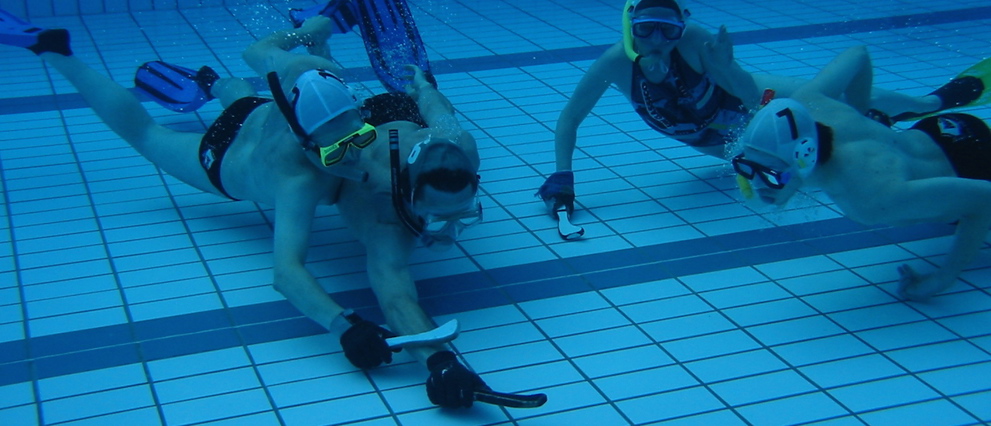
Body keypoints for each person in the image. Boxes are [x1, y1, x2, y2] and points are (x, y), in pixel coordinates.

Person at [2, 12, 496, 408]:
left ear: (362, 115)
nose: (356, 162)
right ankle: (58, 52)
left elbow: (264, 54)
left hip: (270, 109)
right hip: (233, 153)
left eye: (360, 137)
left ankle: (216, 83)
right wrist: (345, 325)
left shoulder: (319, 81)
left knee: (247, 96)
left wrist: (311, 35)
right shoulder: (300, 180)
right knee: (150, 137)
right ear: (311, 151)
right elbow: (287, 273)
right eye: (334, 155)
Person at [536, 0, 982, 230]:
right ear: (629, 27)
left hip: (749, 102)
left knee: (840, 104)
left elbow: (750, 96)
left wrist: (727, 69)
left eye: (667, 29)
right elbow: (569, 118)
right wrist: (563, 176)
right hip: (716, 137)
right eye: (645, 29)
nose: (658, 40)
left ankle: (930, 104)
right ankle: (892, 135)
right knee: (820, 151)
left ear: (681, 25)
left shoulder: (692, 40)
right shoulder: (614, 64)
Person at [732, 45, 991, 301]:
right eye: (747, 168)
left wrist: (943, 278)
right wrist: (860, 111)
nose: (756, 185)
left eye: (771, 176)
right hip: (939, 130)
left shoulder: (870, 199)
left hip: (975, 168)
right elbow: (858, 54)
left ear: (805, 157)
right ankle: (927, 103)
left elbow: (984, 198)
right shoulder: (805, 107)